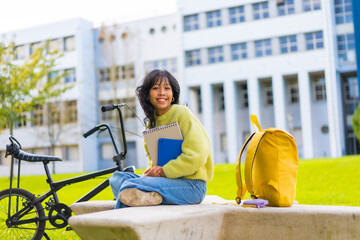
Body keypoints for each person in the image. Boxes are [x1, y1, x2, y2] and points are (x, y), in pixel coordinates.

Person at [109, 69, 214, 208]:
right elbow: (155, 162)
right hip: (167, 182)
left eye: (167, 88)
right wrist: (150, 172)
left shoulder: (183, 114)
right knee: (117, 178)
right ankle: (151, 196)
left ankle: (120, 224)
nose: (162, 93)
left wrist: (164, 171)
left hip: (191, 186)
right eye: (156, 88)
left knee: (129, 185)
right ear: (147, 95)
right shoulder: (150, 124)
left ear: (172, 95)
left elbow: (197, 156)